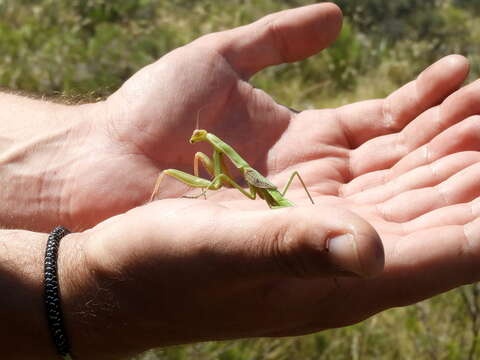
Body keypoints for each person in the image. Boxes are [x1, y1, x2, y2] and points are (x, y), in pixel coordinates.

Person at [1, 3, 480, 359]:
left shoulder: (232, 161)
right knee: (178, 174)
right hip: (259, 195)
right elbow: (215, 179)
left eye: (201, 136)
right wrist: (69, 281)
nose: (197, 140)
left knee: (275, 181)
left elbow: (232, 180)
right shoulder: (215, 158)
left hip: (276, 198)